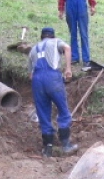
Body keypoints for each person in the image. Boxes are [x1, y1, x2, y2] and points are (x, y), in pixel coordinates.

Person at [29, 27, 78, 157]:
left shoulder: (33, 49)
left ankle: (48, 148)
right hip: (53, 78)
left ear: (41, 37)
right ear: (52, 35)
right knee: (63, 109)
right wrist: (68, 69)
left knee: (43, 113)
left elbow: (30, 75)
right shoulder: (56, 41)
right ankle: (66, 144)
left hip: (37, 81)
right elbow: (67, 48)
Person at [58, 0, 96, 71]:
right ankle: (74, 57)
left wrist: (92, 5)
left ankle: (86, 59)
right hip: (70, 8)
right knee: (73, 32)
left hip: (81, 9)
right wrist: (61, 9)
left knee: (83, 33)